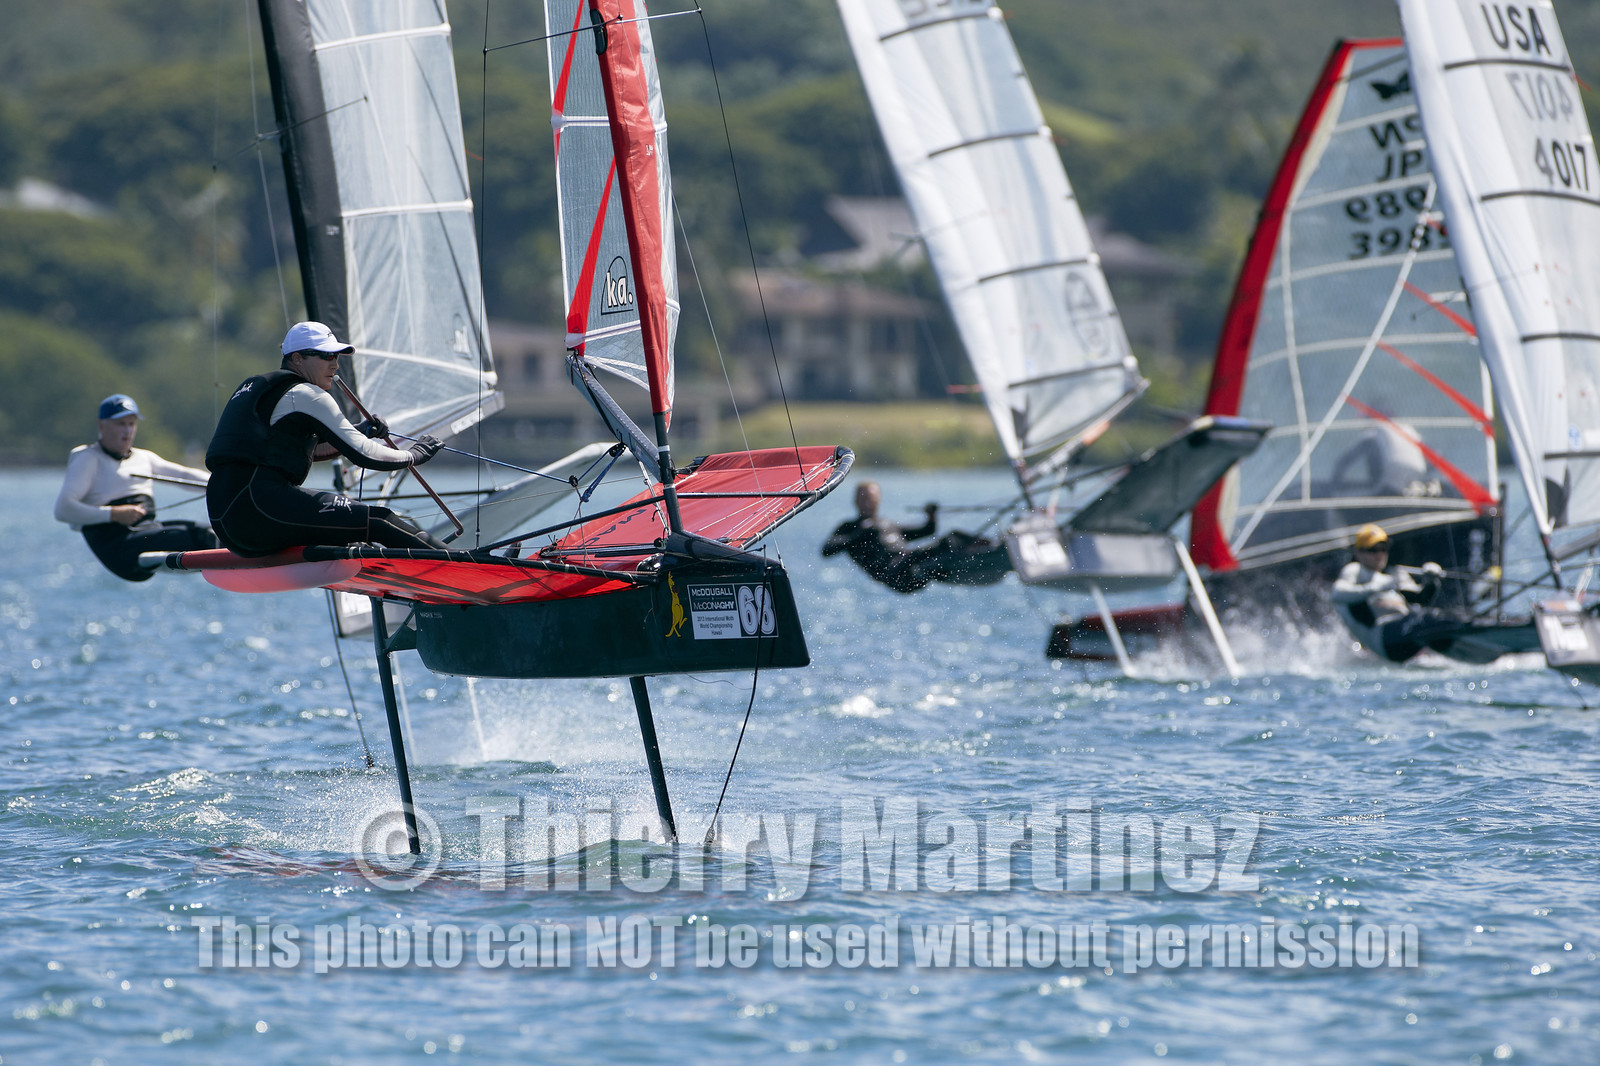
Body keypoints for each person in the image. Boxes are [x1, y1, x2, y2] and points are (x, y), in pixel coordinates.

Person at [205, 321, 449, 557]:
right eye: (327, 356)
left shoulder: (267, 391)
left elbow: (300, 449)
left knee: (349, 530)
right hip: (260, 508)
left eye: (337, 357)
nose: (335, 365)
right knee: (378, 520)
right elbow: (365, 455)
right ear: (297, 358)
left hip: (225, 518)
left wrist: (359, 431)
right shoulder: (306, 394)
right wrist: (416, 454)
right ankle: (463, 564)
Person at [54, 394, 219, 582]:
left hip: (145, 532)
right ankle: (242, 556)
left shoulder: (144, 458)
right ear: (101, 426)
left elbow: (183, 475)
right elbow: (63, 510)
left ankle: (250, 549)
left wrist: (222, 485)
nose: (127, 431)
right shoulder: (88, 458)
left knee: (211, 531)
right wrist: (114, 513)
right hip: (118, 546)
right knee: (199, 537)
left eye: (131, 424)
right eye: (120, 424)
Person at [822, 480, 1006, 594]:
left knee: (954, 536)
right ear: (856, 501)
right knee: (943, 544)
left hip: (912, 566)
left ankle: (993, 549)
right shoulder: (848, 527)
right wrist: (859, 533)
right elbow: (827, 550)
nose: (868, 503)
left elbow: (927, 531)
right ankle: (986, 553)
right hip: (894, 575)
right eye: (864, 499)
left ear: (878, 500)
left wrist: (931, 516)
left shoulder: (886, 524)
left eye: (872, 499)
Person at [1330, 523, 1455, 662]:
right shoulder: (1354, 570)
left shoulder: (1394, 573)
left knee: (1435, 617)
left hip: (1404, 635)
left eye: (1383, 549)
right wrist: (1374, 587)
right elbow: (1337, 594)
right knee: (1427, 620)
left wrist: (1431, 581)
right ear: (1358, 553)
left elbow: (1421, 598)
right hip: (1384, 641)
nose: (1379, 555)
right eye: (1373, 550)